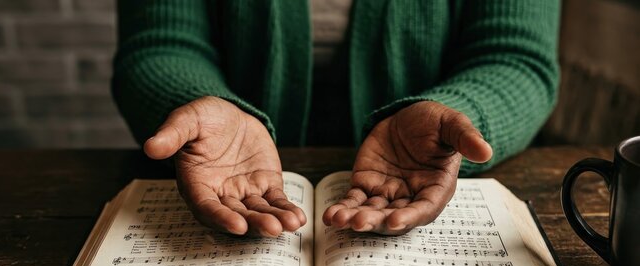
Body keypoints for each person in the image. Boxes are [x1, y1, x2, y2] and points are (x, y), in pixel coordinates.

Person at [112, 0, 560, 237]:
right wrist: (194, 102)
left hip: (422, 166)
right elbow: (161, 42)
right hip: (228, 167)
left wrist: (459, 114)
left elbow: (515, 57)